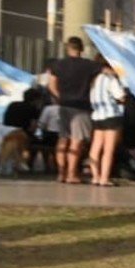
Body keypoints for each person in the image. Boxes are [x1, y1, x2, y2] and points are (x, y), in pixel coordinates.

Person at [44, 36, 98, 183]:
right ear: (81, 49)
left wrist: (60, 96)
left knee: (62, 139)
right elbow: (103, 72)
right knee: (77, 141)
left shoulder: (58, 65)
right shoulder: (89, 65)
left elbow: (51, 85)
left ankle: (61, 173)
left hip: (64, 105)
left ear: (68, 48)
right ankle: (71, 174)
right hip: (81, 107)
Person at [87, 56, 126, 186]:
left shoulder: (94, 79)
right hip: (111, 115)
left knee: (96, 147)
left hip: (97, 116)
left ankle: (95, 176)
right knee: (108, 150)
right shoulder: (110, 78)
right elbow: (120, 96)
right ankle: (104, 178)